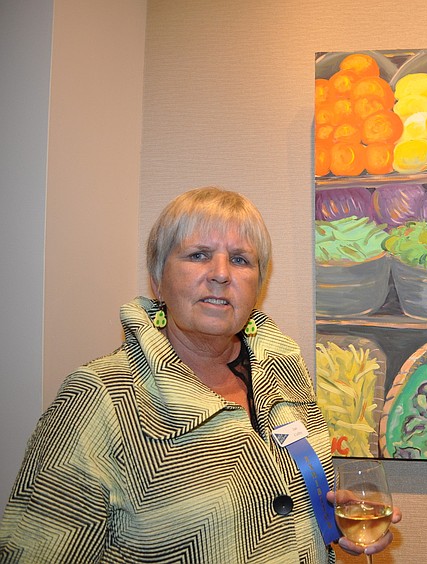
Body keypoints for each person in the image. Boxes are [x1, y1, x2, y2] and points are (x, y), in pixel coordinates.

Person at [0, 187, 401, 562]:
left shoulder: (284, 373)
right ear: (157, 280)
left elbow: (272, 495)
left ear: (257, 286)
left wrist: (326, 515)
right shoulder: (101, 396)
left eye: (241, 259)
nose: (221, 274)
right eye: (198, 255)